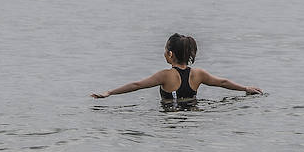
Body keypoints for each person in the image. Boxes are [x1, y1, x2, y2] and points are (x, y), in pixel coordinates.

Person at [90, 33, 263, 103]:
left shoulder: (166, 76)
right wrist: (245, 88)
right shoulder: (199, 74)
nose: (164, 52)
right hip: (192, 113)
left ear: (170, 54)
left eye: (165, 49)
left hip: (171, 118)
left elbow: (137, 85)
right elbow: (223, 82)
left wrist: (110, 92)